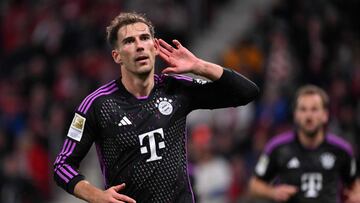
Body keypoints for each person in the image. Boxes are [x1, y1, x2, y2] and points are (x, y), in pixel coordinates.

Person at [53, 12, 259, 203]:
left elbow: (247, 92)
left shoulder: (177, 89)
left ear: (155, 47)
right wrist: (96, 196)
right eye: (129, 41)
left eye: (144, 38)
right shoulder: (97, 104)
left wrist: (200, 66)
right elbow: (62, 166)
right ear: (117, 56)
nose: (139, 46)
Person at [249, 85, 360, 203]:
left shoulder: (342, 150)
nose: (309, 116)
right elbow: (254, 185)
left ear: (325, 115)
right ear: (295, 114)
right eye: (303, 109)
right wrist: (273, 192)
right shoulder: (277, 148)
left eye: (314, 109)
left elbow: (354, 184)